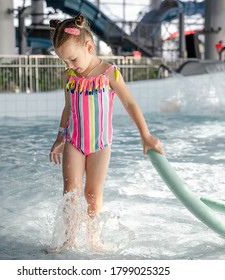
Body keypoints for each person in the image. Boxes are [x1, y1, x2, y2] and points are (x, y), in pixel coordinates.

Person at [48, 14, 164, 251]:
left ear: (89, 47)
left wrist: (146, 135)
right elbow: (68, 109)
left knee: (92, 194)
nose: (69, 66)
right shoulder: (69, 77)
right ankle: (69, 240)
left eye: (72, 59)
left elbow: (130, 103)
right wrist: (60, 138)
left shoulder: (110, 73)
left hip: (100, 145)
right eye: (65, 62)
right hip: (74, 142)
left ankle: (94, 239)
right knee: (70, 193)